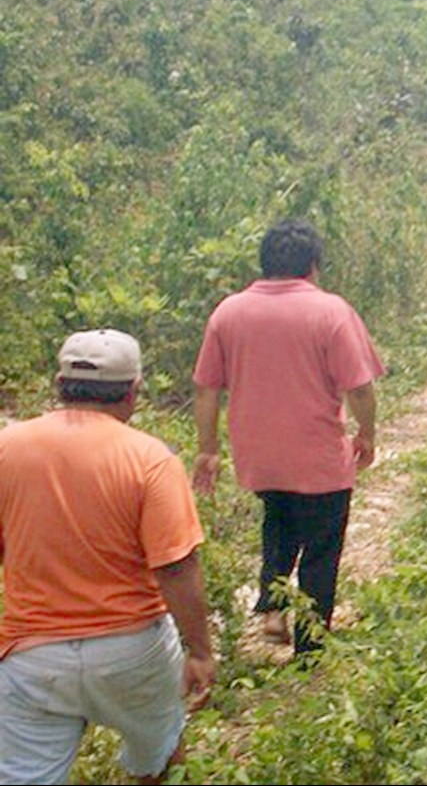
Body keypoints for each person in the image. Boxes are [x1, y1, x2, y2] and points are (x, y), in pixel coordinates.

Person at [0, 329, 214, 784]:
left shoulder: (7, 449)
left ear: (59, 383)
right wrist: (199, 651)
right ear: (134, 390)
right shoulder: (150, 459)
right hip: (132, 651)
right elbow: (176, 567)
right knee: (159, 756)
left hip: (32, 657)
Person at [192, 218, 384, 657]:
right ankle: (309, 650)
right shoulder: (331, 311)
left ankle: (273, 604)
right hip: (319, 459)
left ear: (264, 263)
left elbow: (206, 388)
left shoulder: (229, 312)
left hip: (260, 457)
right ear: (313, 265)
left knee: (278, 523)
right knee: (320, 549)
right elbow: (358, 388)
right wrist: (366, 434)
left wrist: (207, 450)